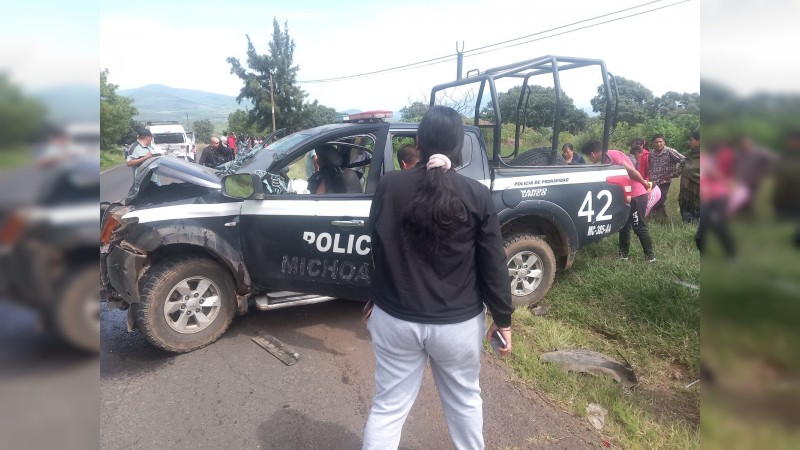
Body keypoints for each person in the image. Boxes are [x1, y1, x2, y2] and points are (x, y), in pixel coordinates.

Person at [363, 105, 513, 450]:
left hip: (395, 320)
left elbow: (375, 247)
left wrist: (373, 296)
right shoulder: (476, 194)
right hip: (457, 326)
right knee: (465, 403)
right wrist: (503, 318)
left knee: (387, 409)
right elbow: (493, 262)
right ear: (460, 146)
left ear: (418, 142)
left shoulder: (390, 186)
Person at [581, 141, 656, 262]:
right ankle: (623, 256)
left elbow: (631, 171)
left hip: (636, 195)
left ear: (592, 154)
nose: (589, 159)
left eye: (588, 157)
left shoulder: (612, 155)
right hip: (625, 196)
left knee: (639, 227)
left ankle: (650, 258)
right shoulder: (605, 160)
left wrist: (644, 183)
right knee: (624, 226)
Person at [648, 134, 685, 218]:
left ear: (664, 142)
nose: (658, 144)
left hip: (664, 181)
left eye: (660, 142)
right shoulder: (651, 153)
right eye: (656, 142)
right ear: (653, 143)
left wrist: (674, 174)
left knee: (660, 200)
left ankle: (660, 219)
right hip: (652, 181)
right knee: (652, 201)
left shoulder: (670, 151)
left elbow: (684, 161)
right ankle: (660, 219)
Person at [678, 131, 701, 223]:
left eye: (691, 140)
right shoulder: (688, 155)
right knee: (686, 209)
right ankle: (687, 225)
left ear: (699, 141)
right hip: (686, 191)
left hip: (699, 190)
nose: (689, 142)